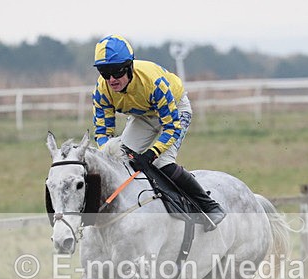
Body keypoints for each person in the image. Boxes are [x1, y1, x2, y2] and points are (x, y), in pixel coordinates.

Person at [91, 34, 225, 230]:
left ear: (129, 67)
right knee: (120, 161)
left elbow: (171, 127)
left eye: (117, 71)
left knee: (161, 162)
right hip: (143, 117)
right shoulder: (102, 90)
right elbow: (103, 132)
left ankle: (208, 206)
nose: (111, 79)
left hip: (175, 111)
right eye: (104, 72)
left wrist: (151, 153)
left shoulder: (153, 83)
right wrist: (108, 153)